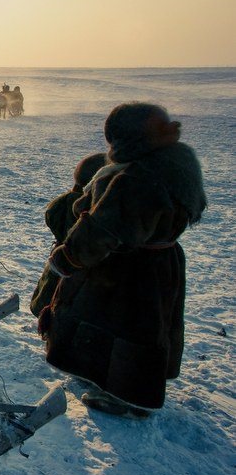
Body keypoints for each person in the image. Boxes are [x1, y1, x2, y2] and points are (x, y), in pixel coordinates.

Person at [39, 102, 206, 418]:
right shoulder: (176, 159)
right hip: (160, 261)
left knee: (131, 326)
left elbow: (104, 227)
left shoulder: (138, 177)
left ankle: (132, 397)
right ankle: (107, 375)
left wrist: (68, 257)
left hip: (131, 268)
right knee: (144, 322)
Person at [29, 152, 106, 318]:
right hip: (80, 276)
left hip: (59, 264)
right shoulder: (93, 213)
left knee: (50, 302)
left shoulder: (61, 203)